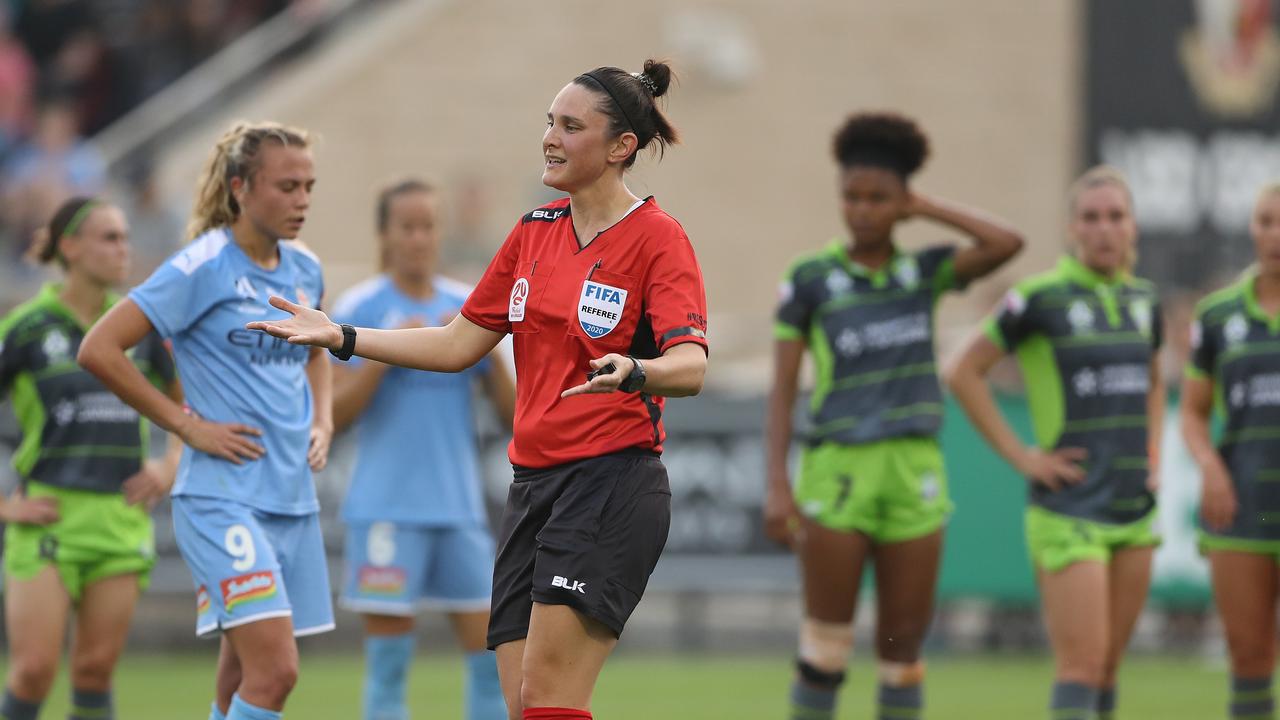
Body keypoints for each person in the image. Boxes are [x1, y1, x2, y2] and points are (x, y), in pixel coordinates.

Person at [245, 59, 708, 720]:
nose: (550, 136)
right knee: (522, 704)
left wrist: (636, 370)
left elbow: (690, 363)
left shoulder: (658, 239)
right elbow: (457, 342)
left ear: (620, 147)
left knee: (547, 697)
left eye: (570, 126)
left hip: (610, 484)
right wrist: (343, 335)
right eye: (549, 121)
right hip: (532, 490)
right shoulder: (533, 232)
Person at [765, 111, 1024, 720]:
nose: (861, 210)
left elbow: (1007, 244)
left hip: (914, 466)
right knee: (824, 650)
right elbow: (781, 390)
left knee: (902, 649)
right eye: (851, 196)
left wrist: (926, 205)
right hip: (838, 468)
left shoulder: (923, 272)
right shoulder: (811, 280)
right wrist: (778, 483)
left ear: (900, 202)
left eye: (878, 199)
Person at [77, 121, 333, 720]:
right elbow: (99, 349)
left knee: (242, 673)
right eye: (287, 186)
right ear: (241, 188)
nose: (302, 201)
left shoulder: (304, 268)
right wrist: (185, 425)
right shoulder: (201, 266)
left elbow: (319, 348)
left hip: (290, 497)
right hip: (221, 499)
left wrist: (321, 420)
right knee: (276, 672)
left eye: (309, 187)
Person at [945, 166, 1163, 720]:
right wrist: (1022, 456)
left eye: (1116, 217)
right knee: (1081, 668)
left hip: (1134, 507)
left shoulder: (1144, 300)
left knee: (1110, 668)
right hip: (1069, 509)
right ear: (1072, 229)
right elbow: (964, 372)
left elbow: (1155, 379)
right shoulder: (1039, 298)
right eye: (1091, 218)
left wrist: (1155, 454)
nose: (1104, 229)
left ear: (1133, 227)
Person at [331, 178, 516, 720]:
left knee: (490, 658)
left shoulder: (466, 306)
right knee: (389, 667)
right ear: (384, 235)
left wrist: (476, 351)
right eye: (407, 227)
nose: (419, 238)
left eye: (428, 225)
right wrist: (391, 351)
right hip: (387, 511)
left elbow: (514, 416)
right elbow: (335, 416)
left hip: (458, 509)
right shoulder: (360, 306)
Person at [0, 196, 181, 720]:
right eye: (109, 237)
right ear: (70, 247)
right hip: (49, 516)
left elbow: (189, 402)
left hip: (119, 516)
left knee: (94, 670)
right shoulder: (28, 327)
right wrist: (4, 508)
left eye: (126, 237)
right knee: (34, 670)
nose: (124, 248)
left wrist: (169, 464)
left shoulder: (138, 328)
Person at [1182, 182, 1280, 720]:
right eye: (1265, 222)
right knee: (1249, 657)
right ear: (1252, 229)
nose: (1275, 235)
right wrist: (1210, 466)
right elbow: (1193, 412)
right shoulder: (1219, 315)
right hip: (1245, 506)